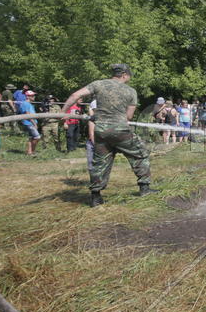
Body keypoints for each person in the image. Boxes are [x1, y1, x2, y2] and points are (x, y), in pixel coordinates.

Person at [61, 64, 156, 207]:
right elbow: (128, 116)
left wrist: (64, 112)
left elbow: (75, 95)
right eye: (129, 76)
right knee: (140, 154)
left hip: (101, 131)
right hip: (120, 131)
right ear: (124, 75)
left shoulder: (98, 84)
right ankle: (145, 188)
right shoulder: (130, 91)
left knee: (100, 163)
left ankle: (96, 197)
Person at [18, 90, 41, 156]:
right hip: (29, 123)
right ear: (27, 96)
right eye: (32, 96)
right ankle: (33, 151)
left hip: (30, 123)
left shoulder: (30, 104)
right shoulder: (25, 104)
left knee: (31, 138)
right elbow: (28, 115)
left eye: (34, 95)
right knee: (37, 137)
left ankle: (29, 152)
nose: (34, 97)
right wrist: (34, 123)